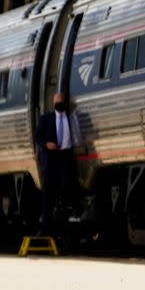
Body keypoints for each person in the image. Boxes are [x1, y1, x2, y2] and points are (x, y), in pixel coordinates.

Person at [35, 92, 81, 235]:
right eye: (57, 102)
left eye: (62, 102)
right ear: (53, 103)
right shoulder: (46, 119)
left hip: (66, 157)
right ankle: (45, 227)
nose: (60, 104)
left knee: (68, 188)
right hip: (52, 159)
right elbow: (37, 137)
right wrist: (46, 144)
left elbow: (77, 136)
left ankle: (71, 221)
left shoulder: (71, 118)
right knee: (48, 193)